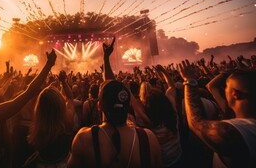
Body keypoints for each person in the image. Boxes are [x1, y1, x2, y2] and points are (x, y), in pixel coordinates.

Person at [68, 37, 162, 167]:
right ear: (129, 105)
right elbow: (111, 88)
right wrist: (106, 59)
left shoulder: (84, 139)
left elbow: (110, 88)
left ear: (99, 106)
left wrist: (106, 58)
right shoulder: (148, 138)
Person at [179, 60, 256, 168]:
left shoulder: (235, 133)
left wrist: (189, 81)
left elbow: (195, 122)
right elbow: (211, 86)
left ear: (235, 94)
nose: (224, 90)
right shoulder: (245, 123)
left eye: (226, 87)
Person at [24, 70, 74, 167]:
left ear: (39, 109)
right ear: (60, 104)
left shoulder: (36, 128)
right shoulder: (67, 122)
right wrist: (63, 82)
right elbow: (70, 98)